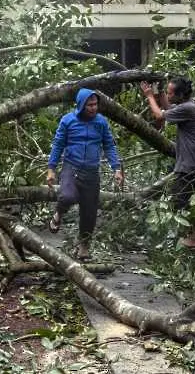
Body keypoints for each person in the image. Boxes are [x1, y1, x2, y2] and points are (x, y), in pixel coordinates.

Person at [46, 88, 123, 261]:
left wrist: (116, 168)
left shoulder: (101, 122)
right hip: (71, 168)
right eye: (89, 105)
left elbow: (109, 145)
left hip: (91, 172)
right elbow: (58, 145)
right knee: (67, 196)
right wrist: (51, 169)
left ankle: (83, 248)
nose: (93, 108)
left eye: (95, 104)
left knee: (89, 213)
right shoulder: (68, 121)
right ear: (81, 105)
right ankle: (58, 213)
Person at [140, 77, 195, 248]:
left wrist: (149, 96)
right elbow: (169, 109)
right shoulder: (187, 107)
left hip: (188, 166)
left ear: (181, 95)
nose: (168, 96)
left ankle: (190, 241)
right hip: (194, 164)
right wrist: (160, 91)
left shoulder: (188, 108)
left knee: (181, 204)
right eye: (167, 92)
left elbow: (160, 115)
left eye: (170, 93)